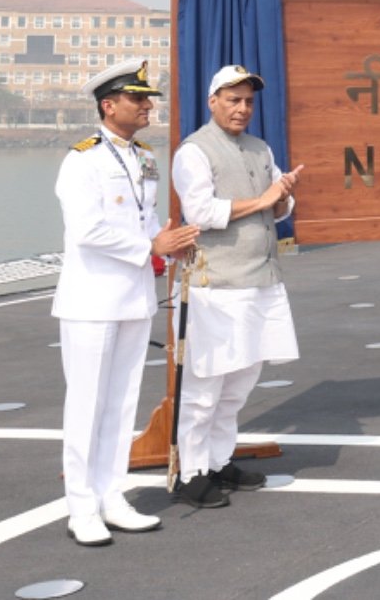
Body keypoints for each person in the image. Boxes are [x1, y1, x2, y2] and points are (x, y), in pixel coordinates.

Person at [53, 58, 199, 547]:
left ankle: (112, 497)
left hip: (134, 297)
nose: (146, 106)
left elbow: (146, 217)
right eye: (136, 99)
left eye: (147, 99)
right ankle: (82, 507)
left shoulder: (145, 158)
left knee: (121, 403)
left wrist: (170, 243)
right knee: (87, 406)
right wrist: (150, 246)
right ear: (108, 106)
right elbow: (87, 230)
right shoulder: (82, 160)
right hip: (91, 299)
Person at [172, 65, 303, 507]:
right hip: (217, 284)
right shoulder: (194, 151)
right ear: (213, 102)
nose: (242, 108)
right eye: (233, 100)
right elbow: (200, 212)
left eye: (248, 101)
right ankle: (190, 473)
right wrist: (264, 199)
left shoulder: (260, 148)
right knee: (205, 386)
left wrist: (283, 195)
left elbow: (280, 207)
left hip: (260, 279)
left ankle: (217, 460)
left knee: (242, 380)